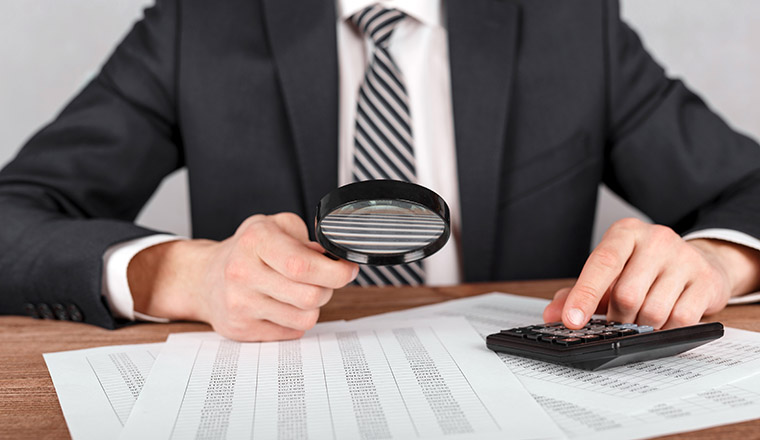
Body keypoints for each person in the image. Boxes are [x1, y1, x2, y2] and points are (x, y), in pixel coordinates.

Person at [1, 0, 759, 342]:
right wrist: (181, 275)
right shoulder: (196, 24)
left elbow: (745, 189)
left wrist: (714, 262)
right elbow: (14, 215)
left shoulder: (569, 24)